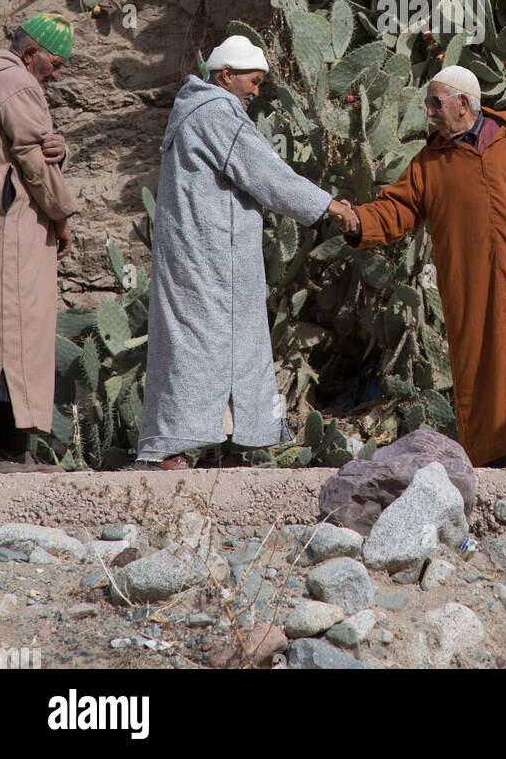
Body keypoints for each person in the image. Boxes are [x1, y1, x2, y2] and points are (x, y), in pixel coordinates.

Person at [332, 65, 506, 467]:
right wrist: (359, 222)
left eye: (436, 103)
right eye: (428, 105)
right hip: (475, 288)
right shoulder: (429, 162)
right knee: (487, 367)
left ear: (463, 104)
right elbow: (396, 209)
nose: (430, 112)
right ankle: (498, 456)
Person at [135, 35, 356, 469]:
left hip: (198, 255)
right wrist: (328, 205)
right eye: (251, 82)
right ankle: (173, 449)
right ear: (226, 76)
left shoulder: (194, 110)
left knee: (204, 345)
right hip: (213, 259)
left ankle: (222, 441)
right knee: (206, 346)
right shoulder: (217, 112)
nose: (256, 92)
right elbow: (267, 173)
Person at [0, 13, 77, 473]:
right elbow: (31, 156)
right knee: (19, 332)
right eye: (55, 63)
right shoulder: (18, 83)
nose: (57, 73)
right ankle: (12, 451)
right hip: (15, 225)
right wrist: (62, 217)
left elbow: (33, 145)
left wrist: (60, 146)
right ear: (30, 55)